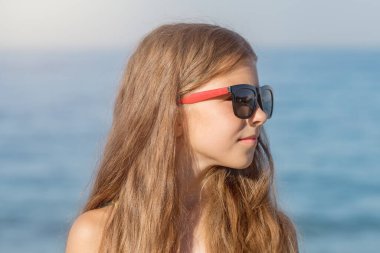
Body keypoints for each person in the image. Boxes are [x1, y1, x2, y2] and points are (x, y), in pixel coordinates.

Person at [65, 23, 299, 253]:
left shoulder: (266, 233)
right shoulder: (99, 237)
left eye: (259, 98)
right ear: (173, 114)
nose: (260, 115)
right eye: (242, 98)